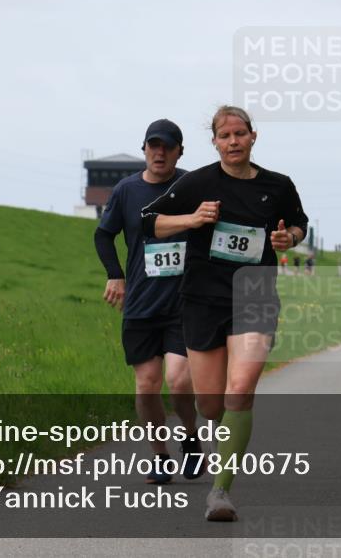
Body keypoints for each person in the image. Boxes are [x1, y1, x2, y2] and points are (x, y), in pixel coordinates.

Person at [141, 105, 308, 522]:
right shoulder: (198, 182)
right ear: (214, 142)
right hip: (202, 300)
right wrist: (192, 218)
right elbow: (149, 222)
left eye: (240, 134)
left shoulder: (278, 185)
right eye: (224, 136)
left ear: (254, 136)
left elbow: (301, 225)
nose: (233, 142)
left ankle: (220, 492)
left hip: (255, 296)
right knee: (211, 404)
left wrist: (291, 237)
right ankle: (211, 432)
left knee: (241, 389)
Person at [94, 119, 202, 484]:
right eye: (153, 145)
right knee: (146, 385)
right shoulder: (126, 191)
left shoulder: (192, 186)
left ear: (179, 152)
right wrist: (114, 274)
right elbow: (103, 236)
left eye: (167, 146)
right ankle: (159, 456)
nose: (160, 152)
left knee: (179, 379)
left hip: (183, 303)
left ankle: (190, 437)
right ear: (144, 149)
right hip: (141, 303)